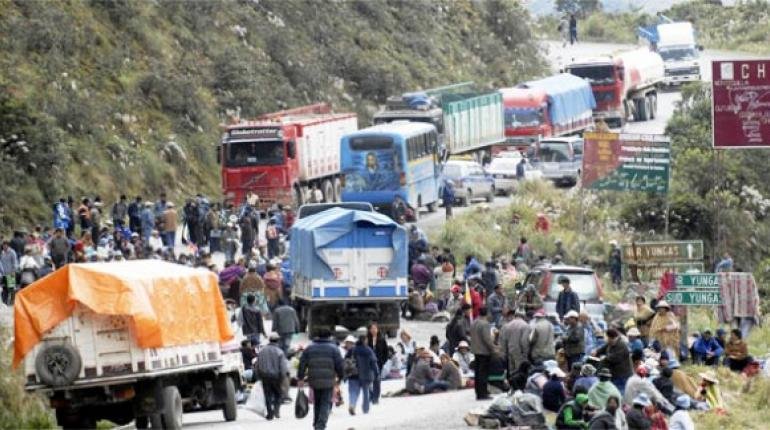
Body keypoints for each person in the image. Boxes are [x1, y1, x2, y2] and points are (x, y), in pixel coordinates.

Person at [297, 328, 344, 430]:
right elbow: (339, 365)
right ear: (329, 337)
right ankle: (320, 425)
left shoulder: (309, 348)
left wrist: (300, 377)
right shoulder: (334, 349)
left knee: (317, 402)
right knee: (325, 402)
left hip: (314, 379)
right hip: (328, 381)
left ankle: (316, 423)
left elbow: (302, 363)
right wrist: (341, 376)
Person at [257, 333, 288, 420]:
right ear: (278, 341)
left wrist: (259, 376)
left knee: (267, 395)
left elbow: (257, 365)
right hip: (276, 377)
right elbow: (283, 367)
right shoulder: (279, 352)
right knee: (278, 394)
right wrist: (283, 377)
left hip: (265, 377)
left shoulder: (262, 351)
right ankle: (276, 410)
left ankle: (270, 413)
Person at [470, 307, 499, 400]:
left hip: (475, 350)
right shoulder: (485, 324)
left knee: (477, 373)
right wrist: (494, 349)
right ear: (487, 314)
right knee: (483, 373)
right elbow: (487, 339)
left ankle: (478, 392)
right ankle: (483, 393)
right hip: (484, 351)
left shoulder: (474, 322)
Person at [346, 335, 378, 415]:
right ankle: (365, 409)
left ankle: (352, 405)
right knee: (366, 392)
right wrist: (376, 373)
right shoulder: (368, 350)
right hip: (366, 374)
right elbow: (374, 363)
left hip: (353, 374)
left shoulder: (352, 350)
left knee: (353, 391)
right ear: (365, 341)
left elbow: (345, 360)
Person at [593, 328, 633, 394]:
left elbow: (615, 358)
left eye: (606, 337)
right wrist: (596, 352)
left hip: (622, 375)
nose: (606, 339)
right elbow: (603, 348)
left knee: (620, 392)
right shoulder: (611, 343)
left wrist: (605, 357)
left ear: (610, 337)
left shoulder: (621, 345)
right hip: (614, 374)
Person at [500, 309, 531, 378]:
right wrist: (525, 353)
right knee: (519, 370)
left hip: (510, 351)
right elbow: (524, 341)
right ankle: (518, 386)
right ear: (524, 316)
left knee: (511, 371)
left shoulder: (507, 325)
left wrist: (504, 353)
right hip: (519, 352)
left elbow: (504, 340)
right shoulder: (525, 325)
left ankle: (512, 385)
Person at [366, 322, 388, 405]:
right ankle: (370, 395)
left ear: (378, 329)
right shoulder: (366, 339)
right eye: (372, 328)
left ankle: (376, 397)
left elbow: (386, 352)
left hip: (378, 363)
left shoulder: (381, 339)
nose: (373, 330)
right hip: (368, 363)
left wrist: (383, 361)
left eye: (375, 328)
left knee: (377, 381)